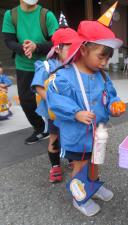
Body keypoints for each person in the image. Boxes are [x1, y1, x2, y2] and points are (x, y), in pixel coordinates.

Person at [47, 3, 125, 216]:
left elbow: (111, 94)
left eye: (108, 58)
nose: (105, 62)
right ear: (82, 49)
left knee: (96, 160)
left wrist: (114, 105)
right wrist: (75, 112)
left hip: (96, 133)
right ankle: (79, 198)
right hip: (77, 135)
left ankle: (93, 186)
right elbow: (55, 100)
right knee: (80, 165)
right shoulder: (64, 76)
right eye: (101, 56)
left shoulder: (102, 75)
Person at [2, 0, 59, 144]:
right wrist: (23, 48)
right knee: (26, 101)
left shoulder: (47, 15)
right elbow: (9, 41)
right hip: (23, 65)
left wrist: (36, 47)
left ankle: (58, 129)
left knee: (52, 98)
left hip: (46, 65)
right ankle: (40, 129)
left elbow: (57, 41)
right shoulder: (11, 15)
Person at [31, 13, 78, 183]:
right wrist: (53, 101)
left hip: (72, 110)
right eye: (70, 47)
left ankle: (72, 157)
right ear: (58, 48)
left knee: (72, 135)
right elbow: (38, 86)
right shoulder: (46, 65)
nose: (75, 52)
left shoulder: (74, 65)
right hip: (54, 112)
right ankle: (55, 166)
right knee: (55, 138)